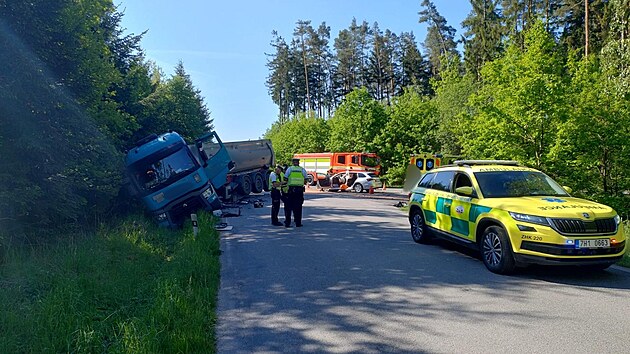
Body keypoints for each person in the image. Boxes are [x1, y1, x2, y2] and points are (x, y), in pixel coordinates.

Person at [284, 158, 307, 227]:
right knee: (298, 207)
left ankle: (287, 223)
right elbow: (306, 179)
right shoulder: (302, 169)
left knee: (288, 207)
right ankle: (298, 223)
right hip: (299, 190)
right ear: (298, 163)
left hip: (291, 190)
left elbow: (285, 178)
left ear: (293, 162)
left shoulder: (290, 169)